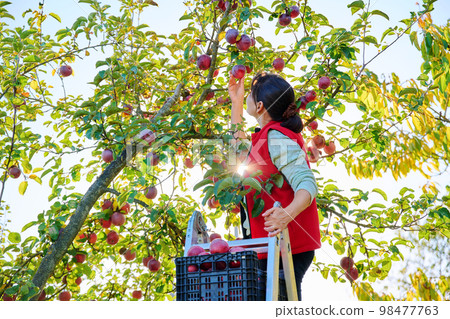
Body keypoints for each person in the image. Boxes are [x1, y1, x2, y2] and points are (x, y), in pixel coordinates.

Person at [228, 71, 321, 301]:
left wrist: (286, 215)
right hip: (273, 248)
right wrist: (237, 103)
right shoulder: (266, 136)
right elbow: (239, 152)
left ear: (259, 106)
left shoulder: (277, 138)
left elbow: (307, 183)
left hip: (286, 248)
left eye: (249, 94)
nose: (247, 96)